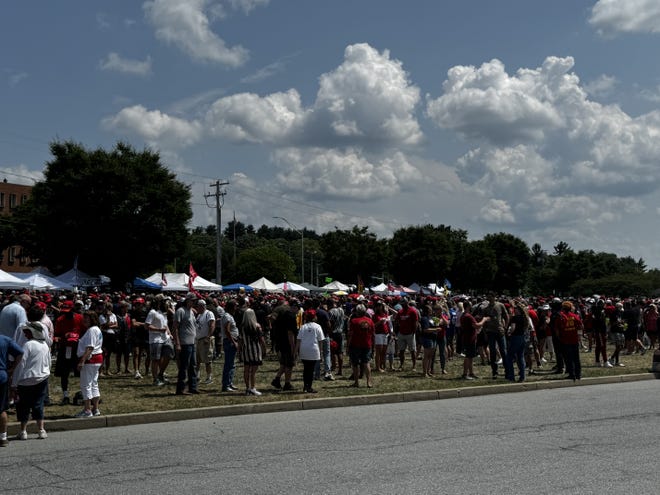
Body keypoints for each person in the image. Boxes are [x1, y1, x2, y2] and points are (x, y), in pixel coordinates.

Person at [11, 322, 51, 440]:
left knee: (23, 405)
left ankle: (23, 431)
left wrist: (14, 383)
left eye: (27, 332)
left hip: (26, 380)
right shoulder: (44, 345)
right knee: (39, 403)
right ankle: (41, 430)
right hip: (42, 378)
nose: (25, 334)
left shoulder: (27, 345)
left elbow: (20, 365)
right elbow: (48, 362)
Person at [53, 300, 83, 405]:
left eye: (68, 311)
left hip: (77, 348)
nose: (66, 313)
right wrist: (61, 338)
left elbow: (84, 332)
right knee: (64, 373)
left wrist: (77, 337)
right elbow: (56, 334)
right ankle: (65, 395)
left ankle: (83, 393)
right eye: (64, 311)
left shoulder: (79, 318)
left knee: (80, 372)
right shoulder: (60, 320)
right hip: (65, 348)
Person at [75, 311, 104, 417]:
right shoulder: (96, 329)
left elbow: (90, 347)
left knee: (86, 385)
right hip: (97, 359)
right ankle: (95, 408)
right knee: (93, 384)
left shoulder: (92, 330)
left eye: (87, 318)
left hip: (90, 360)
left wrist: (82, 361)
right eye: (84, 318)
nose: (85, 320)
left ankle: (87, 410)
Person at [0, 329, 24, 446]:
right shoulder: (5, 339)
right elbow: (20, 352)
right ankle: (3, 437)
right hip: (2, 375)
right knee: (1, 409)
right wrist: (13, 368)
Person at [172, 293, 199, 395]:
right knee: (184, 366)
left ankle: (192, 387)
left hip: (192, 343)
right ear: (187, 300)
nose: (194, 302)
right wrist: (177, 343)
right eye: (193, 300)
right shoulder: (181, 311)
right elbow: (175, 328)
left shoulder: (191, 312)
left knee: (193, 366)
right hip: (184, 343)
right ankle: (180, 389)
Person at [270, 299, 299, 392]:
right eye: (298, 309)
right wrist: (293, 347)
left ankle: (277, 379)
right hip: (287, 343)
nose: (298, 311)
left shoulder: (283, 315)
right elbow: (290, 333)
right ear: (294, 308)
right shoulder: (291, 317)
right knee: (289, 364)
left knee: (283, 363)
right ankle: (287, 383)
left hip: (280, 341)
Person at [294, 309, 325, 393]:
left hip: (304, 350)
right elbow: (320, 340)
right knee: (311, 370)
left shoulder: (303, 327)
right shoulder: (318, 326)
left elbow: (298, 340)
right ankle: (309, 387)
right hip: (313, 350)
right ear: (314, 317)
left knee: (306, 369)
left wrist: (296, 352)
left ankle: (305, 386)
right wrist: (321, 352)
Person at [347, 304, 375, 388]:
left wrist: (348, 345)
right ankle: (368, 382)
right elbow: (373, 334)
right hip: (367, 344)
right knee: (366, 363)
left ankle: (356, 382)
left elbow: (350, 335)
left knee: (355, 364)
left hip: (355, 344)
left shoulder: (354, 321)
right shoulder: (370, 321)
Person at [481, 293, 509, 379]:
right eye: (488, 297)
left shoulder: (500, 305)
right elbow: (484, 321)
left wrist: (505, 327)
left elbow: (506, 316)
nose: (489, 298)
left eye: (490, 296)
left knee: (503, 351)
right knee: (492, 352)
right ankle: (494, 372)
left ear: (494, 297)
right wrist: (485, 332)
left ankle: (507, 371)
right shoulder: (485, 309)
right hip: (490, 332)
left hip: (500, 331)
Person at [459, 300, 488, 380]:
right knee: (468, 357)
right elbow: (477, 325)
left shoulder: (463, 315)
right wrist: (484, 320)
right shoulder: (468, 316)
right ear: (468, 306)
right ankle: (465, 374)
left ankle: (471, 373)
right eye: (471, 305)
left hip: (468, 338)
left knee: (470, 357)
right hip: (469, 339)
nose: (472, 307)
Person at [240, 308, 266, 395]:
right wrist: (264, 349)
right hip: (255, 351)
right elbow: (261, 339)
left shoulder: (242, 327)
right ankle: (253, 388)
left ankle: (247, 388)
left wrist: (239, 350)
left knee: (246, 370)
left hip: (246, 350)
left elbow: (241, 340)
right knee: (253, 372)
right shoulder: (257, 326)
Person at [145, 294, 170, 386]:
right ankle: (156, 379)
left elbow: (165, 325)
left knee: (168, 355)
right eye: (163, 300)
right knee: (156, 360)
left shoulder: (162, 312)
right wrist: (159, 330)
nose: (165, 302)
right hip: (155, 340)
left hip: (164, 338)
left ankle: (161, 375)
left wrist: (169, 333)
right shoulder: (152, 312)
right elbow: (147, 325)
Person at [556, 301, 583, 381]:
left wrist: (559, 338)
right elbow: (581, 325)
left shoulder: (560, 316)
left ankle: (572, 374)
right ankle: (578, 374)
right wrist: (578, 335)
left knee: (569, 359)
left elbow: (557, 329)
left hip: (565, 341)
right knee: (576, 358)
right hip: (574, 340)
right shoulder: (574, 316)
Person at [505, 301, 529, 382]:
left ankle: (511, 376)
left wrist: (509, 333)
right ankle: (522, 376)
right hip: (522, 337)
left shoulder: (515, 318)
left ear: (518, 310)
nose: (514, 310)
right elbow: (525, 328)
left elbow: (513, 328)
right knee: (520, 357)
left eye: (515, 309)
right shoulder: (525, 318)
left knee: (509, 357)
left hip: (515, 337)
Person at [220, 299, 240, 392]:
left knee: (232, 364)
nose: (237, 308)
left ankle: (230, 382)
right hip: (229, 342)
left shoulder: (229, 316)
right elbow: (227, 330)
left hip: (231, 341)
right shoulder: (227, 316)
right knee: (228, 364)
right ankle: (226, 384)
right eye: (236, 306)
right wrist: (233, 341)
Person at [195, 299, 216, 385]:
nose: (197, 308)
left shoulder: (208, 313)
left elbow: (212, 325)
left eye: (198, 306)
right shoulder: (199, 315)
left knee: (207, 359)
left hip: (205, 339)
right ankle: (197, 376)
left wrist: (208, 336)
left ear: (202, 306)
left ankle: (209, 377)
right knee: (197, 360)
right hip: (198, 339)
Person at [395, 298, 418, 371]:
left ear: (406, 303)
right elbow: (396, 320)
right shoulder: (401, 311)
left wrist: (414, 331)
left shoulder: (412, 311)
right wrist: (397, 330)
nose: (402, 305)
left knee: (412, 350)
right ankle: (401, 365)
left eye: (403, 304)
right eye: (401, 304)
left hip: (410, 333)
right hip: (401, 333)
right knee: (401, 351)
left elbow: (416, 322)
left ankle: (414, 366)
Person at [130, 297, 149, 379]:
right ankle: (136, 371)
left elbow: (148, 324)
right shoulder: (133, 313)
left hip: (144, 335)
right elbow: (134, 324)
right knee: (136, 353)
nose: (137, 305)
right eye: (136, 304)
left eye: (139, 304)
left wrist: (140, 324)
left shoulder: (146, 313)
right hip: (135, 335)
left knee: (141, 353)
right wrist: (143, 324)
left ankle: (142, 370)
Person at [99, 301, 118, 375]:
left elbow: (116, 325)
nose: (109, 310)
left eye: (110, 308)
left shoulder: (113, 315)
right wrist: (108, 319)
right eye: (107, 308)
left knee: (109, 354)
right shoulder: (101, 316)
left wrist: (110, 325)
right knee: (103, 353)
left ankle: (107, 370)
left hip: (112, 334)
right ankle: (100, 371)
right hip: (104, 334)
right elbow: (104, 325)